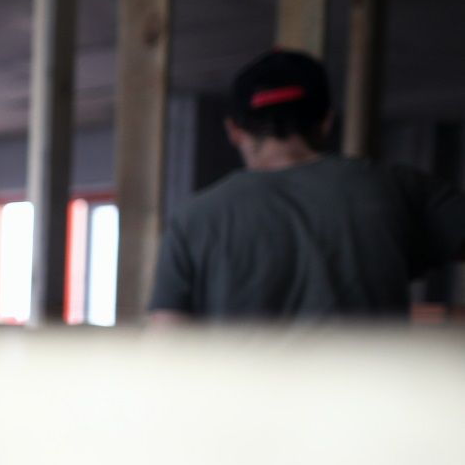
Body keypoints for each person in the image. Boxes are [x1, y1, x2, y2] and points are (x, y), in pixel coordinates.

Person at [148, 50, 465, 324]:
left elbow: (167, 345)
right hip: (372, 394)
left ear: (234, 130)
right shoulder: (397, 188)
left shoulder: (191, 220)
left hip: (241, 395)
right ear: (325, 121)